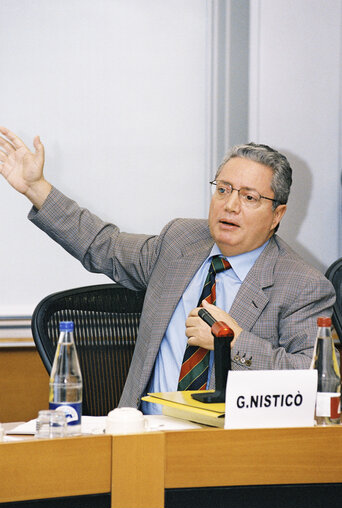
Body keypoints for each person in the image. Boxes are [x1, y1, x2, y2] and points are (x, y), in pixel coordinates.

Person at [0, 126, 335, 414]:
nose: (230, 205)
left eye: (249, 197)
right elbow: (103, 245)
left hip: (230, 449)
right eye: (223, 189)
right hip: (145, 434)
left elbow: (317, 378)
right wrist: (35, 187)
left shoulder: (302, 284)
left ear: (277, 214)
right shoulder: (180, 243)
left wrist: (233, 344)